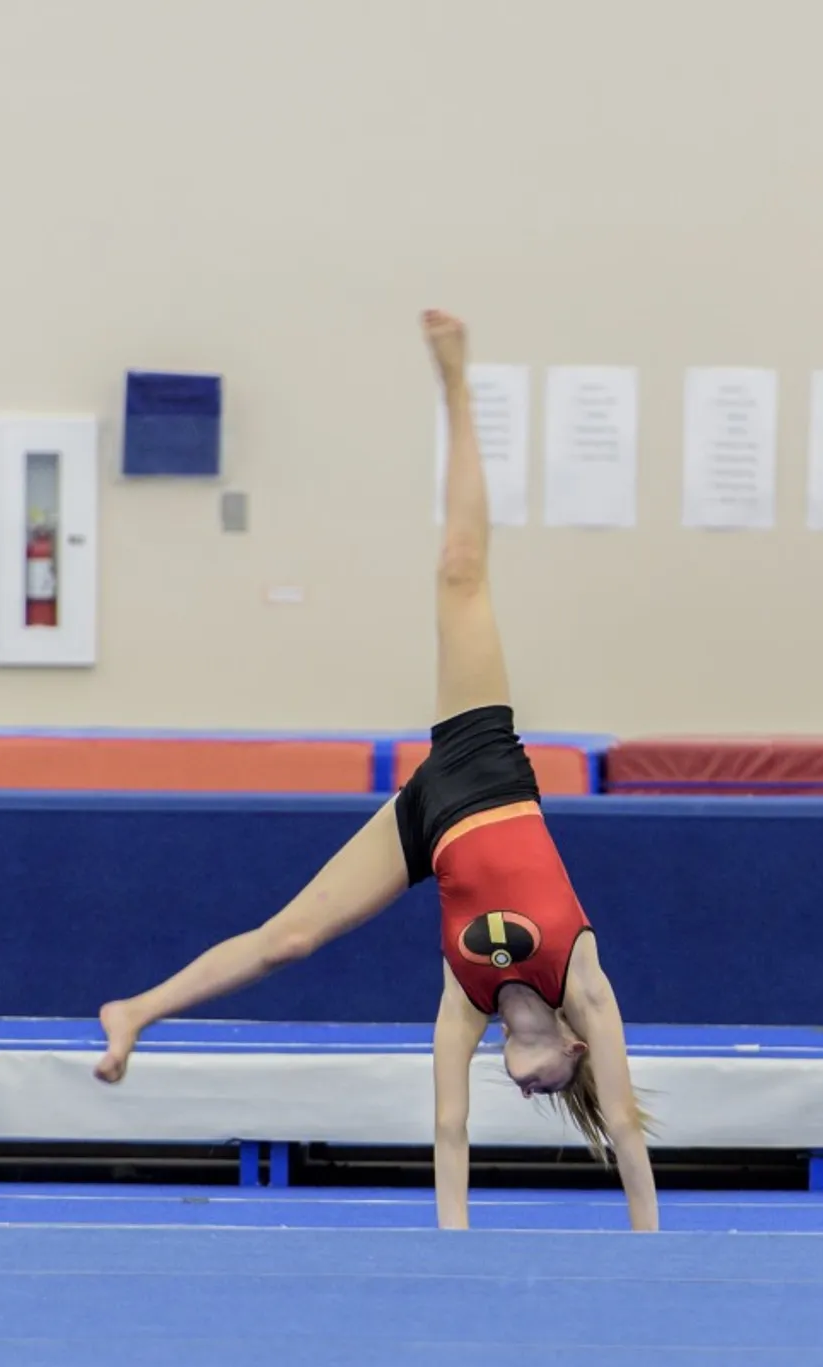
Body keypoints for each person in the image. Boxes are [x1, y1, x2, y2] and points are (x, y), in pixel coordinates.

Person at [92, 310, 659, 1233]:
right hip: (486, 766)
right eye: (557, 1090)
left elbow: (447, 1127)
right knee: (460, 570)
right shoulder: (581, 983)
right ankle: (457, 383)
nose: (533, 1096)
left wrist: (453, 1245)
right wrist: (649, 1247)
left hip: (431, 822)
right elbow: (627, 1124)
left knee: (289, 938)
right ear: (573, 1045)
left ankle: (135, 1010)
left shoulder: (468, 1000)